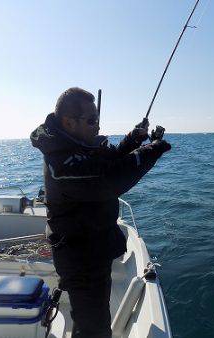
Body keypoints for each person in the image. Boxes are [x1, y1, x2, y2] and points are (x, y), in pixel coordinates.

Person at [30, 87, 171, 337]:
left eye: (97, 120)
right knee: (93, 329)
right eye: (91, 120)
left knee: (95, 321)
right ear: (68, 122)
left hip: (93, 248)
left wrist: (134, 139)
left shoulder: (78, 145)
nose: (97, 127)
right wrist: (152, 149)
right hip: (80, 259)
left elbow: (109, 158)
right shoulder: (62, 161)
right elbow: (109, 177)